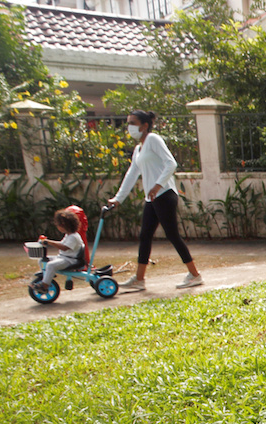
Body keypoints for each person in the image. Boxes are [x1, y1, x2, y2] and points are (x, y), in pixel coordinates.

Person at [107, 110, 202, 291]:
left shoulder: (153, 140)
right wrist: (118, 198)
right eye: (128, 123)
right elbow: (132, 174)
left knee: (172, 235)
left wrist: (158, 185)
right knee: (145, 236)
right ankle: (139, 279)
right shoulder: (138, 149)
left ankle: (195, 275)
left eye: (132, 123)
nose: (129, 127)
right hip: (152, 198)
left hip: (165, 195)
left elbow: (171, 163)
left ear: (144, 126)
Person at [31, 208, 86, 295]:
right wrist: (48, 242)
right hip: (63, 257)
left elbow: (64, 247)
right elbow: (61, 244)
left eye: (58, 225)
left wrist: (49, 242)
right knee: (42, 260)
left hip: (70, 260)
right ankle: (47, 276)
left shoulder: (73, 237)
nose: (57, 227)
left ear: (64, 225)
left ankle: (44, 286)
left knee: (51, 265)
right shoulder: (68, 235)